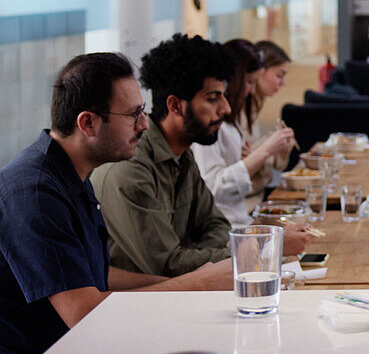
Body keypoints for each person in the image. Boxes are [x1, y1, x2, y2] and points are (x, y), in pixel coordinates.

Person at [0, 53, 232, 354]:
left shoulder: (72, 174)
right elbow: (85, 312)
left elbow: (97, 275)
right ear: (87, 124)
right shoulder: (35, 193)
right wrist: (198, 284)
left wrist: (197, 279)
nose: (144, 125)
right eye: (134, 115)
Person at [91, 34, 311, 277]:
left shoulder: (182, 154)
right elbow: (168, 264)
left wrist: (199, 254)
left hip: (186, 292)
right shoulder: (129, 169)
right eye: (213, 98)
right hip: (140, 304)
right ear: (175, 106)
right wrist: (264, 247)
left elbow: (215, 225)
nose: (226, 108)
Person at [191, 39, 296, 227]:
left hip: (239, 218)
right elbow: (214, 187)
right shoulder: (209, 125)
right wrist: (263, 151)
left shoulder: (235, 119)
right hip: (228, 224)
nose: (251, 90)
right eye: (248, 83)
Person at [243, 40, 293, 199]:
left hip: (257, 194)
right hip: (246, 202)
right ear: (260, 71)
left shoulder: (253, 106)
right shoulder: (237, 110)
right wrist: (267, 147)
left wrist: (277, 147)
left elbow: (275, 166)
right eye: (279, 75)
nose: (283, 83)